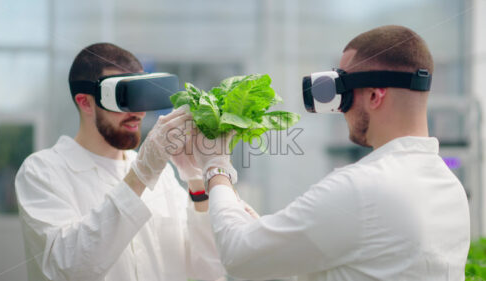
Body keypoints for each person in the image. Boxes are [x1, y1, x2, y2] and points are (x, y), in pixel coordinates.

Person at [192, 25, 471, 280]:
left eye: (343, 91)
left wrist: (217, 168)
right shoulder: (450, 189)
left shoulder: (360, 188)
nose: (340, 109)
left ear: (375, 96)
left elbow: (238, 257)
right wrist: (265, 234)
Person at [15, 43, 225, 281]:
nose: (138, 113)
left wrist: (198, 185)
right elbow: (69, 268)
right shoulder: (42, 172)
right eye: (124, 97)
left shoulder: (163, 176)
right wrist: (141, 174)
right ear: (85, 102)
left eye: (142, 97)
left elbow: (208, 271)